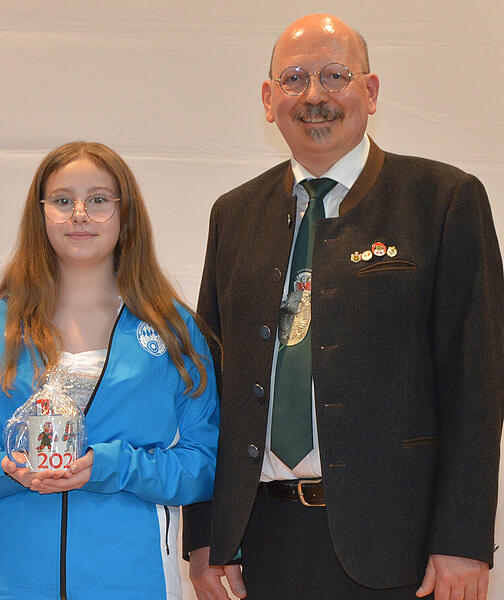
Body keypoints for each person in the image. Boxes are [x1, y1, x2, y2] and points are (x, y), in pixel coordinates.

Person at [183, 14, 503, 600]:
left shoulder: (443, 200)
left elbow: (477, 385)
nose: (314, 96)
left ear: (370, 91)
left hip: (403, 550)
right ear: (268, 99)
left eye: (335, 75)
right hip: (261, 541)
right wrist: (205, 535)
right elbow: (208, 390)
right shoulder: (234, 214)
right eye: (294, 79)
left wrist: (463, 539)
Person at [0, 141, 220, 600]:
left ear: (124, 212)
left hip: (134, 583)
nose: (79, 214)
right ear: (40, 213)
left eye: (98, 200)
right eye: (62, 200)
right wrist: (5, 468)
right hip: (9, 582)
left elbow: (205, 463)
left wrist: (114, 466)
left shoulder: (171, 329)